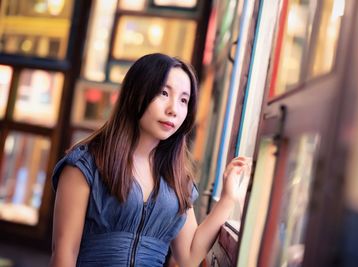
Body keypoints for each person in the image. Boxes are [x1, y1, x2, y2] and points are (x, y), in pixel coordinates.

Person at [50, 53, 250, 267]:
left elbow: (189, 256)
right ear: (136, 93)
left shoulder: (177, 179)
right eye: (164, 93)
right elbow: (64, 253)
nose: (173, 109)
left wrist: (228, 198)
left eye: (184, 100)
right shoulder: (85, 165)